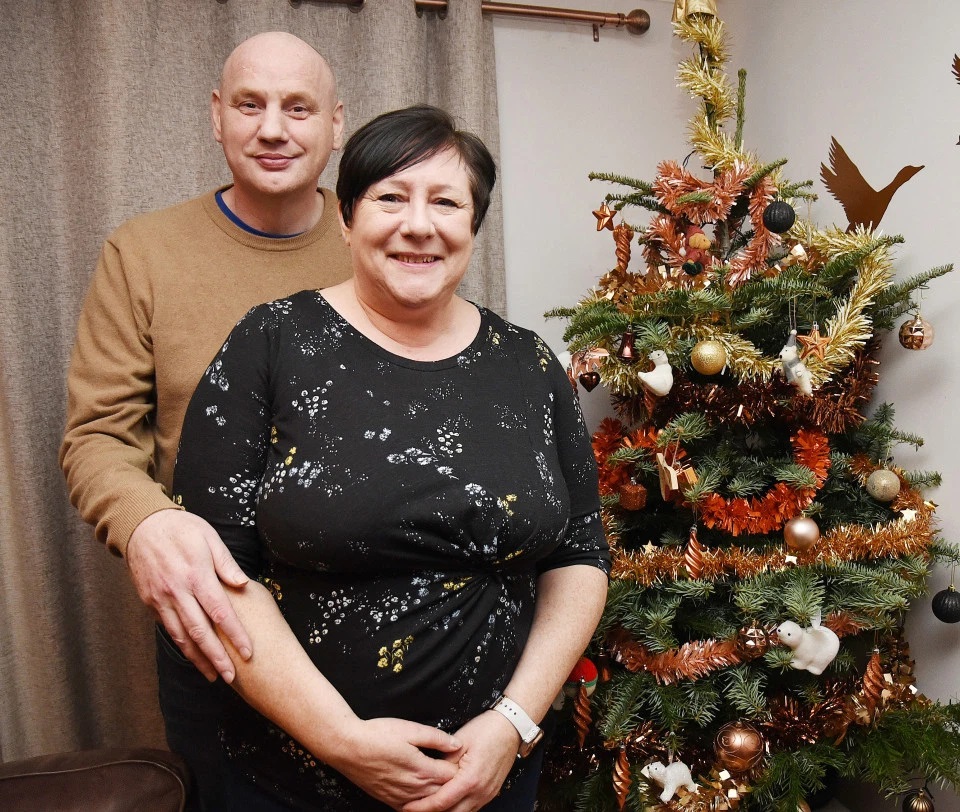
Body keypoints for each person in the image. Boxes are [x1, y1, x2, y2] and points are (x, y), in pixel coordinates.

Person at [171, 104, 611, 812]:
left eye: (446, 202)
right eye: (390, 198)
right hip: (296, 781)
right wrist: (340, 739)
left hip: (489, 778)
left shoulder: (527, 363)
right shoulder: (271, 343)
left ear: (473, 226)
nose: (418, 224)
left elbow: (580, 555)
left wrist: (513, 724)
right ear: (347, 219)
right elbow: (217, 571)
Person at [58, 31, 353, 810]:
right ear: (217, 116)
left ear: (336, 125)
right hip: (220, 622)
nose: (272, 129)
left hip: (375, 618)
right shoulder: (142, 253)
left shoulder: (384, 242)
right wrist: (146, 523)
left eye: (298, 108)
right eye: (250, 105)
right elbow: (96, 437)